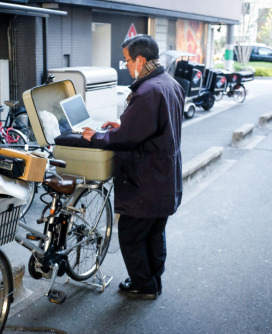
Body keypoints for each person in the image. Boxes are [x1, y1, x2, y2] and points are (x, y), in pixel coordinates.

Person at [82, 34, 184, 300]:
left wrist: (97, 137)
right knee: (154, 231)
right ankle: (153, 280)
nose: (126, 66)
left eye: (127, 61)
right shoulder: (168, 83)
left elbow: (129, 138)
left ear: (140, 59)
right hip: (164, 177)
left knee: (131, 234)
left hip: (146, 180)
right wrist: (123, 124)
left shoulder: (148, 91)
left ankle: (143, 285)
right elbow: (152, 127)